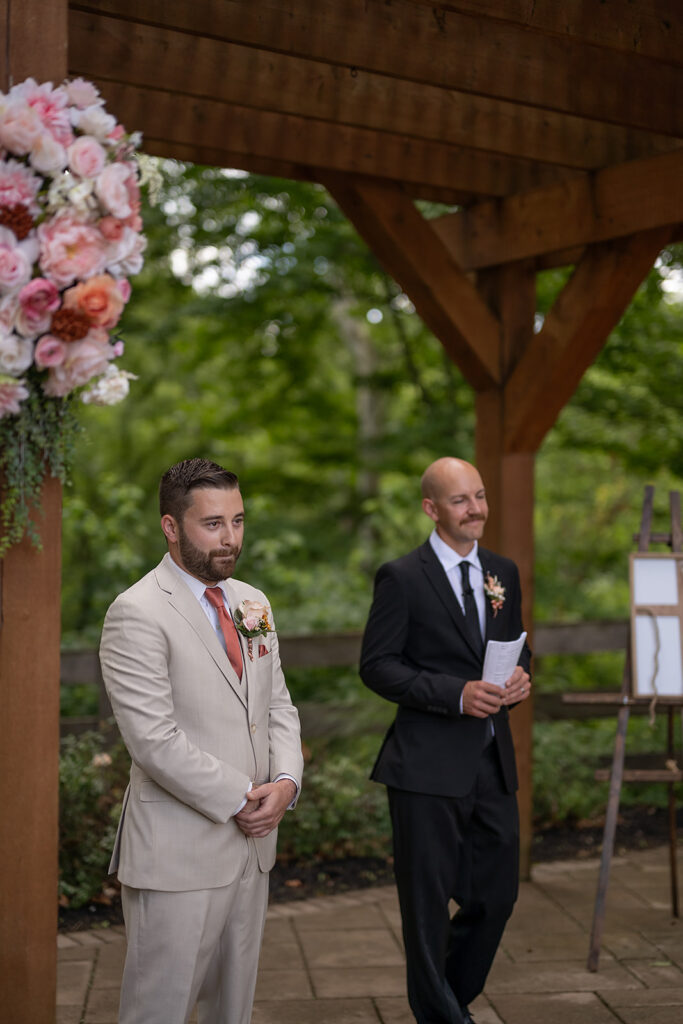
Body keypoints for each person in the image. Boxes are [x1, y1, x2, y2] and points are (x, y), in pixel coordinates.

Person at [99, 457, 303, 1024]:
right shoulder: (135, 613)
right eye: (213, 524)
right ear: (170, 527)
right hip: (178, 852)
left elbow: (278, 705)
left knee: (231, 1012)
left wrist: (286, 783)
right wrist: (245, 797)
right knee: (157, 1011)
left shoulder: (252, 603)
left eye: (238, 521)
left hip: (252, 850)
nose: (230, 538)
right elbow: (154, 741)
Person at [360, 457, 531, 1024]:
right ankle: (444, 1018)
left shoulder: (502, 571)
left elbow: (515, 648)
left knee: (496, 896)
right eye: (461, 500)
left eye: (479, 496)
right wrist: (454, 693)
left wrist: (522, 677)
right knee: (426, 907)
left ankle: (449, 1003)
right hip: (425, 766)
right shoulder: (402, 577)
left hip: (491, 760)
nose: (476, 508)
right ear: (432, 509)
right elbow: (377, 666)